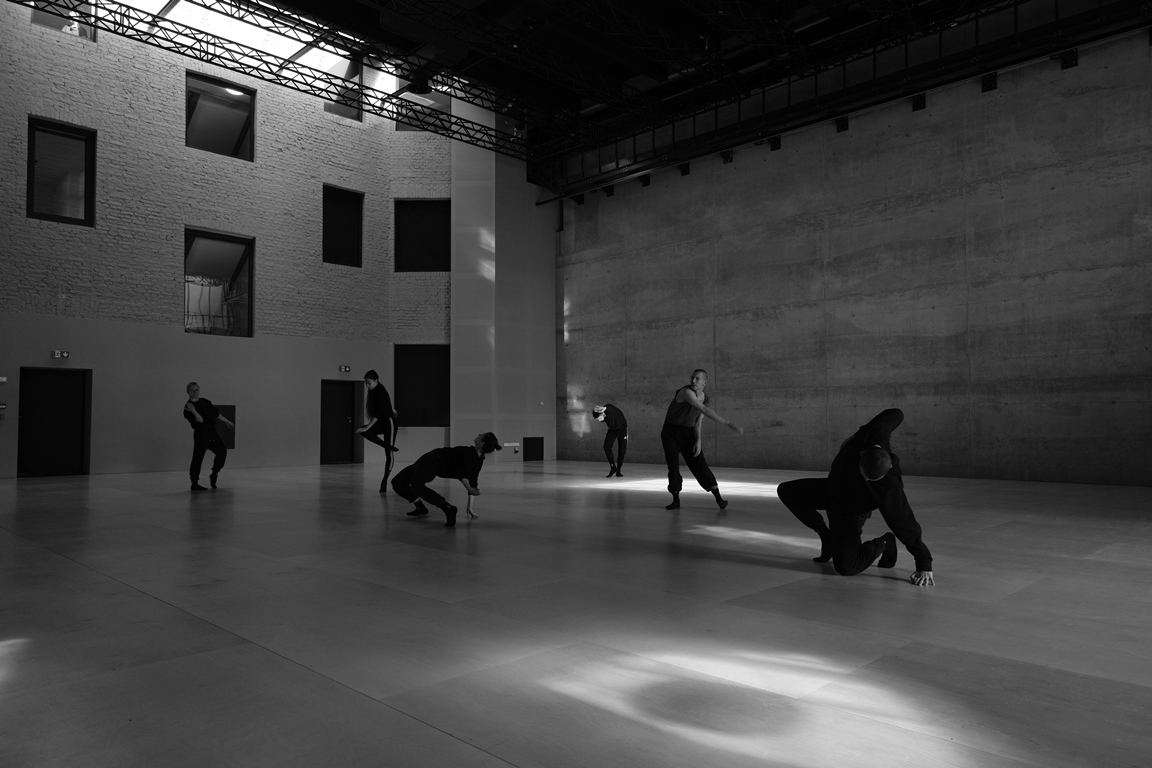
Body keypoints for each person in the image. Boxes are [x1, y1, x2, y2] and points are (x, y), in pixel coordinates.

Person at [776, 408, 934, 586]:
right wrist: (856, 435)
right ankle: (825, 534)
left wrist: (924, 562)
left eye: (870, 479)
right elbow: (896, 413)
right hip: (830, 489)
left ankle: (884, 542)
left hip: (851, 510)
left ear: (888, 469)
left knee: (846, 567)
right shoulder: (874, 432)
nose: (865, 479)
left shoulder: (889, 487)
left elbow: (903, 521)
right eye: (863, 474)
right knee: (787, 491)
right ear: (861, 455)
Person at [661, 369, 743, 510]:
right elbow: (704, 410)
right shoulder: (685, 392)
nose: (693, 381)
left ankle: (719, 499)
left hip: (688, 433)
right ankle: (676, 500)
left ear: (705, 382)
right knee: (673, 467)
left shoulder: (706, 399)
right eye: (692, 377)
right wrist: (728, 423)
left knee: (700, 465)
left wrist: (698, 441)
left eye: (697, 379)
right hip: (671, 432)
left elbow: (698, 422)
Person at [392, 432, 502, 527]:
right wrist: (470, 507)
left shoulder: (471, 455)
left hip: (431, 461)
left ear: (481, 443)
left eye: (481, 435)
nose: (479, 434)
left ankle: (447, 508)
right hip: (432, 460)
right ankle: (420, 507)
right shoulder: (476, 459)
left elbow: (465, 477)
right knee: (397, 482)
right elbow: (471, 484)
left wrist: (470, 501)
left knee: (417, 486)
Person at [183, 382, 234, 491]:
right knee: (198, 457)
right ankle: (194, 482)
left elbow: (216, 413)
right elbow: (200, 420)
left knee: (222, 452)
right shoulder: (188, 407)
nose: (195, 392)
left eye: (197, 389)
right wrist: (193, 411)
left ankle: (214, 473)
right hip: (201, 434)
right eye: (192, 390)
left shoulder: (205, 401)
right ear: (188, 392)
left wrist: (227, 421)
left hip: (212, 432)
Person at [356, 369, 398, 492]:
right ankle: (387, 445)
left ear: (376, 381)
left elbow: (378, 414)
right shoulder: (374, 392)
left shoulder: (381, 392)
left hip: (389, 422)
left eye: (369, 383)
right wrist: (366, 427)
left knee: (388, 454)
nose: (367, 385)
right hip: (382, 422)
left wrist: (368, 426)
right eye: (366, 383)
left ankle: (384, 481)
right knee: (362, 431)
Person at [593, 404, 628, 477]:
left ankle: (618, 471)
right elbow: (600, 415)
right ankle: (613, 468)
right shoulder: (604, 417)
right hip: (613, 430)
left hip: (622, 430)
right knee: (606, 447)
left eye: (599, 418)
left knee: (622, 451)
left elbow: (610, 407)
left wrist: (604, 408)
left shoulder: (609, 410)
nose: (599, 421)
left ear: (603, 413)